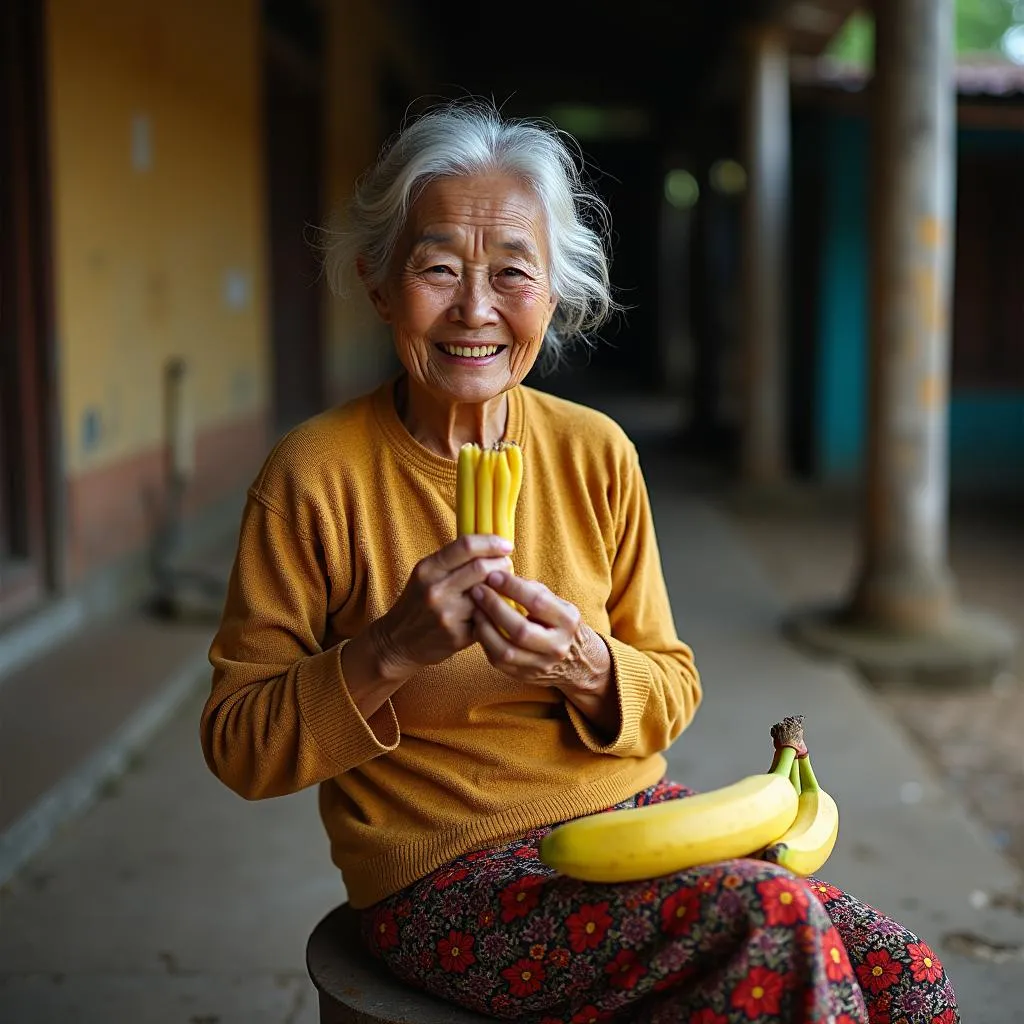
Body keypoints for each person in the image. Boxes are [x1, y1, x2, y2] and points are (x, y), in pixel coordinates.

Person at [200, 101, 959, 1024]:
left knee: (903, 974)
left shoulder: (596, 451)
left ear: (554, 292)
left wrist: (586, 665)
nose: (474, 309)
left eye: (512, 272)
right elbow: (239, 744)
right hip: (444, 876)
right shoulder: (313, 476)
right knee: (769, 926)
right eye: (438, 268)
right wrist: (388, 650)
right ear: (378, 282)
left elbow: (672, 683)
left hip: (630, 826)